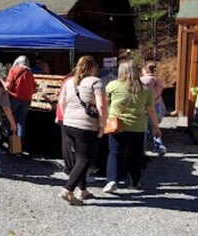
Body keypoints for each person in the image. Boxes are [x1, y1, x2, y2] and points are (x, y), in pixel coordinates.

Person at [103, 60, 161, 193]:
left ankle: (112, 180)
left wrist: (103, 121)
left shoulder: (113, 85)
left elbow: (105, 106)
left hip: (117, 125)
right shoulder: (145, 89)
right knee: (136, 155)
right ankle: (134, 182)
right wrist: (156, 127)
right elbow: (151, 110)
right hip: (138, 127)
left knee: (115, 154)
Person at [56, 55, 107, 205]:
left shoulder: (69, 81)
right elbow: (101, 106)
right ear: (93, 68)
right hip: (86, 126)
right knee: (85, 159)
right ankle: (68, 190)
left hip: (69, 124)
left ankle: (83, 189)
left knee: (80, 158)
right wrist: (103, 125)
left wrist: (66, 118)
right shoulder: (96, 82)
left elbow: (61, 102)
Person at [5, 56, 35, 145]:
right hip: (27, 100)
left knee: (10, 121)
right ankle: (18, 147)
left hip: (14, 98)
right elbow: (34, 88)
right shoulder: (30, 72)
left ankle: (9, 145)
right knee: (20, 123)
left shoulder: (13, 70)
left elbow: (8, 86)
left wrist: (2, 82)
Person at [140, 62, 167, 156]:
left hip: (144, 105)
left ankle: (142, 149)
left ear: (145, 70)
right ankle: (159, 146)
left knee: (144, 128)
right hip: (157, 104)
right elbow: (162, 89)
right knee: (155, 127)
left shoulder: (141, 80)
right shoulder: (157, 80)